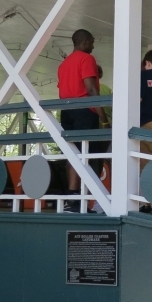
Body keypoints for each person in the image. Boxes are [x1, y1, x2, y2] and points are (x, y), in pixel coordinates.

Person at [56, 30, 108, 211]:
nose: (93, 46)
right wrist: (104, 118)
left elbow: (62, 90)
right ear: (85, 42)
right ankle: (96, 198)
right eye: (92, 42)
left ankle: (72, 198)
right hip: (85, 111)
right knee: (92, 156)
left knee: (73, 153)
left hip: (66, 111)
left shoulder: (63, 65)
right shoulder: (86, 59)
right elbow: (91, 89)